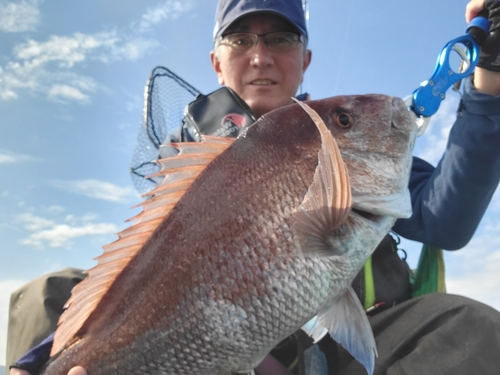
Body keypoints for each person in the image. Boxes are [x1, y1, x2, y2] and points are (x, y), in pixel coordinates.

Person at [7, 0, 500, 374]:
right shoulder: (186, 157)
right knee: (43, 295)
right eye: (240, 40)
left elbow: (447, 219)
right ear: (217, 61)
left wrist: (489, 77)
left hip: (344, 352)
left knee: (470, 328)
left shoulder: (335, 144)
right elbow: (141, 284)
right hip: (205, 346)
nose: (261, 55)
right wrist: (37, 365)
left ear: (306, 59)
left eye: (281, 39)